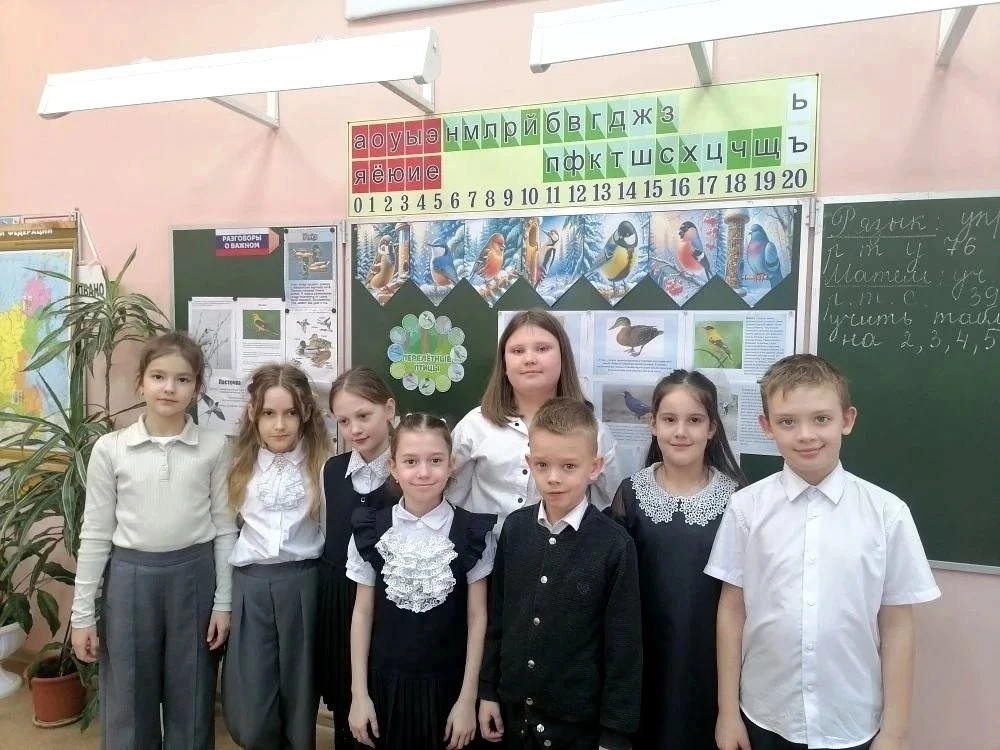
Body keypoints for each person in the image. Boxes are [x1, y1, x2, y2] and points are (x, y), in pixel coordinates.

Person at [706, 354, 941, 750]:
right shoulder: (746, 508)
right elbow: (732, 610)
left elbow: (897, 625)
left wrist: (895, 732)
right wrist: (727, 712)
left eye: (821, 419)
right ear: (766, 426)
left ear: (846, 419)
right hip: (765, 714)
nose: (805, 435)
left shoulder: (888, 514)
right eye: (787, 421)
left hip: (850, 719)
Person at [70, 332, 237, 749]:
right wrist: (82, 614)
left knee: (192, 696)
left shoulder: (215, 447)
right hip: (129, 582)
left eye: (183, 379)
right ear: (141, 382)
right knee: (127, 698)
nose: (169, 388)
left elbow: (224, 528)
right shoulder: (110, 449)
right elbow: (95, 534)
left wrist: (223, 602)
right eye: (158, 376)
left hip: (194, 581)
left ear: (197, 387)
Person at [479, 397, 641, 750]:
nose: (553, 478)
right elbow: (499, 617)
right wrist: (488, 690)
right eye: (542, 465)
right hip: (514, 718)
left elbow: (624, 649)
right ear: (529, 464)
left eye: (569, 466)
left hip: (578, 728)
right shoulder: (516, 529)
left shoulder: (614, 545)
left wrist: (616, 733)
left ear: (594, 467)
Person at [611, 369, 746, 749]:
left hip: (711, 663)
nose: (681, 431)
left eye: (694, 420)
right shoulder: (630, 494)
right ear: (653, 424)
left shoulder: (738, 499)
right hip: (644, 662)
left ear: (712, 428)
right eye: (669, 420)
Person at [347, 413, 496, 750]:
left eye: (435, 460)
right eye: (411, 461)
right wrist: (359, 694)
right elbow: (362, 613)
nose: (424, 472)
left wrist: (467, 699)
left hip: (450, 691)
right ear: (393, 467)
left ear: (451, 465)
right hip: (384, 689)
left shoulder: (473, 533)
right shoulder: (369, 530)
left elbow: (478, 619)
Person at [221, 363, 332, 749]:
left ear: (306, 414)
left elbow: (329, 531)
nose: (280, 425)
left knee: (299, 696)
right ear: (254, 413)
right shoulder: (236, 465)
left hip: (303, 582)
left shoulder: (323, 466)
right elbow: (224, 532)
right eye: (269, 413)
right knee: (251, 714)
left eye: (290, 413)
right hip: (250, 585)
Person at [451, 309, 622, 532]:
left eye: (542, 349)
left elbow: (609, 509)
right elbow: (450, 500)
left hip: (563, 551)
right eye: (517, 351)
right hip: (486, 553)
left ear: (563, 358)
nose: (530, 359)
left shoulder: (595, 432)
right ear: (504, 363)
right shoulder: (474, 426)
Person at [318, 367, 400, 749]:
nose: (354, 429)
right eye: (344, 421)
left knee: (388, 708)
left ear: (389, 409)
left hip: (389, 606)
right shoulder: (332, 471)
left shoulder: (411, 471)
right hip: (340, 604)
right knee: (347, 710)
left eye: (363, 416)